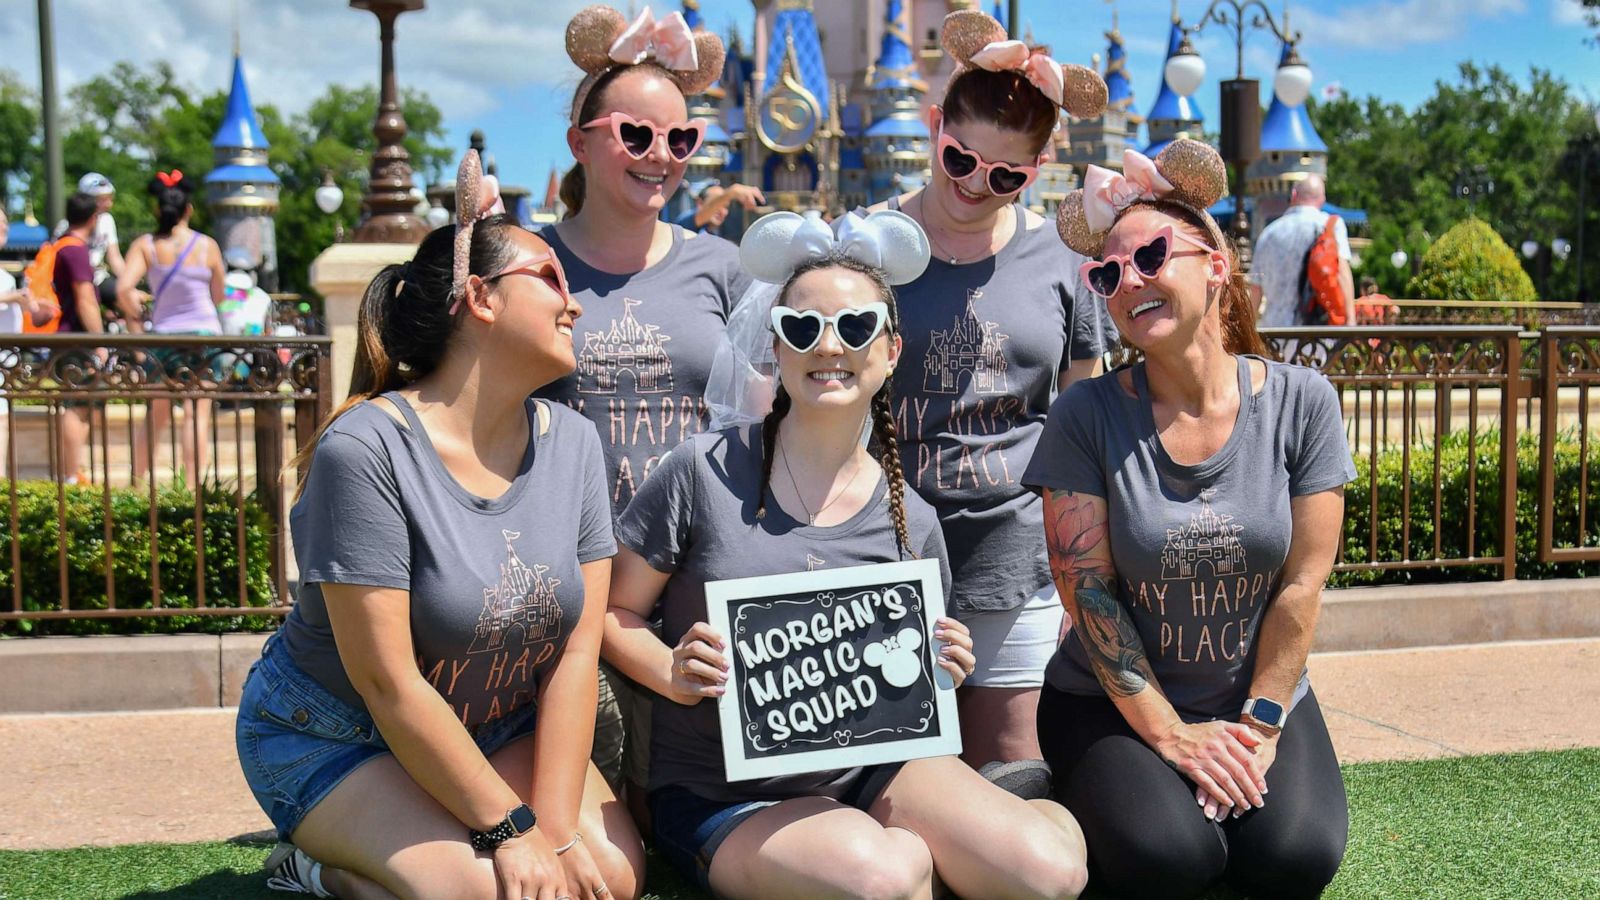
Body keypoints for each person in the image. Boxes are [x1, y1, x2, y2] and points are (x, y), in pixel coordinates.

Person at [605, 208, 1088, 900]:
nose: (828, 346)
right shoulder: (700, 473)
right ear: (775, 347)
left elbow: (909, 679)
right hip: (725, 791)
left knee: (1050, 873)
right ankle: (931, 844)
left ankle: (1020, 815)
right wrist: (672, 668)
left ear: (891, 351)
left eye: (855, 327)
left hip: (875, 770)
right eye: (802, 328)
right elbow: (614, 612)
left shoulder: (910, 515)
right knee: (883, 875)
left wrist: (939, 667)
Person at [234, 152, 644, 900]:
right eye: (549, 278)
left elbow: (576, 652)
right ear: (480, 297)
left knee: (606, 879)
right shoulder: (365, 450)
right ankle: (324, 875)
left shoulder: (574, 442)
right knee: (485, 892)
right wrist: (506, 832)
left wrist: (549, 834)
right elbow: (387, 683)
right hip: (335, 735)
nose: (574, 302)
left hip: (496, 726)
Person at [1034, 138, 1355, 899]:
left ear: (1215, 264)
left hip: (1253, 696)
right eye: (1107, 273)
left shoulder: (1303, 403)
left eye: (1149, 257)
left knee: (1295, 857)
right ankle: (1068, 796)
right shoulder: (1086, 416)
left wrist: (1260, 726)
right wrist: (1175, 738)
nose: (1127, 283)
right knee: (1174, 857)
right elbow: (1090, 597)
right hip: (1107, 704)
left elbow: (1302, 582)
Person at [868, 9, 1116, 782]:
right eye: (959, 159)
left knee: (1012, 779)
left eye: (1004, 175)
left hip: (1016, 560)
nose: (977, 185)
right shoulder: (866, 245)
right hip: (881, 554)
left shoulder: (1062, 259)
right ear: (935, 126)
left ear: (1036, 171)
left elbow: (1086, 426)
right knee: (895, 784)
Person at [541, 3, 745, 815]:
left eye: (681, 140)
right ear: (580, 143)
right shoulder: (533, 266)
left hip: (696, 577)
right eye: (635, 135)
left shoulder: (725, 269)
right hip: (573, 584)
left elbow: (758, 427)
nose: (660, 157)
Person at [116, 171, 227, 487]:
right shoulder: (207, 246)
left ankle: (137, 483)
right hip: (204, 336)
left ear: (157, 210)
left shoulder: (146, 245)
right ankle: (192, 489)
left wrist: (136, 321)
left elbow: (124, 288)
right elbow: (218, 296)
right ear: (188, 209)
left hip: (164, 336)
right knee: (197, 416)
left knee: (155, 416)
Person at [1250, 174, 1354, 328]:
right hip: (1316, 332)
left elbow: (1256, 289)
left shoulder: (1268, 233)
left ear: (1293, 195)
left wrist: (1247, 329)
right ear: (1322, 199)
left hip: (1274, 332)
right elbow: (1342, 274)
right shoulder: (1330, 226)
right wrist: (1351, 321)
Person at [52, 192, 104, 484]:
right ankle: (72, 475)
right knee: (78, 404)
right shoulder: (75, 250)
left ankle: (75, 471)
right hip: (75, 340)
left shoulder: (61, 245)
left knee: (81, 403)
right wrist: (100, 342)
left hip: (66, 339)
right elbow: (85, 300)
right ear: (93, 218)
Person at [0, 207, 49, 472]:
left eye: (5, 222)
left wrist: (32, 303)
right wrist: (11, 298)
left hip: (6, 364)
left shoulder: (6, 277)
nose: (4, 227)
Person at [55, 172, 126, 315]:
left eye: (109, 198)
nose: (108, 204)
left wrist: (128, 284)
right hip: (74, 280)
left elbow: (115, 257)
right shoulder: (68, 227)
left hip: (98, 277)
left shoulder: (106, 220)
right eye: (102, 199)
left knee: (129, 301)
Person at [675, 182, 764, 236]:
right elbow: (701, 216)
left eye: (725, 206)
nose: (722, 211)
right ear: (699, 203)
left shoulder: (723, 231)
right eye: (717, 203)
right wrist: (731, 192)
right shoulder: (684, 223)